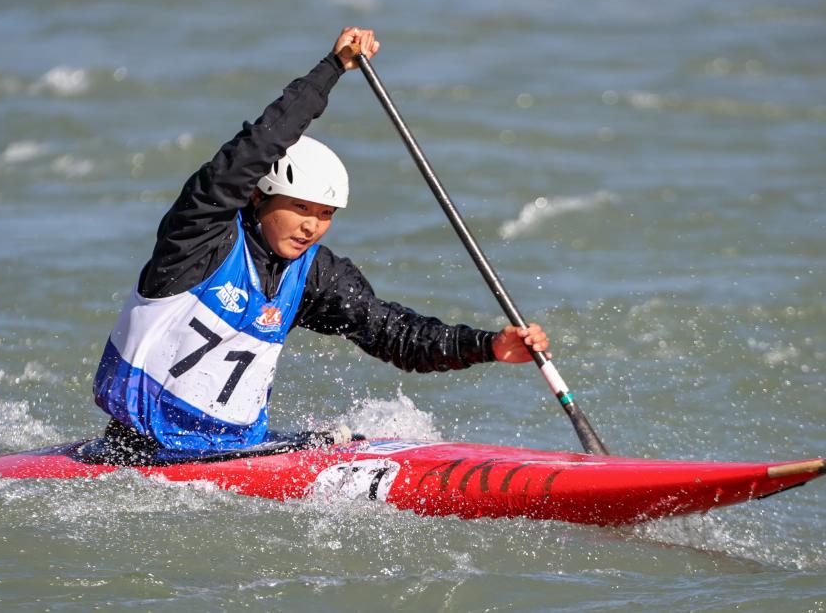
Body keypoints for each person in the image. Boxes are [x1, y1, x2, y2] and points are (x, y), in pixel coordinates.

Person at [92, 27, 549, 459]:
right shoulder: (198, 238)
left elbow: (394, 333)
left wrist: (488, 345)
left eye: (326, 214)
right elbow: (255, 147)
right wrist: (332, 68)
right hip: (138, 451)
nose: (312, 226)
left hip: (237, 454)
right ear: (259, 196)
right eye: (301, 208)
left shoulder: (314, 274)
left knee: (346, 439)